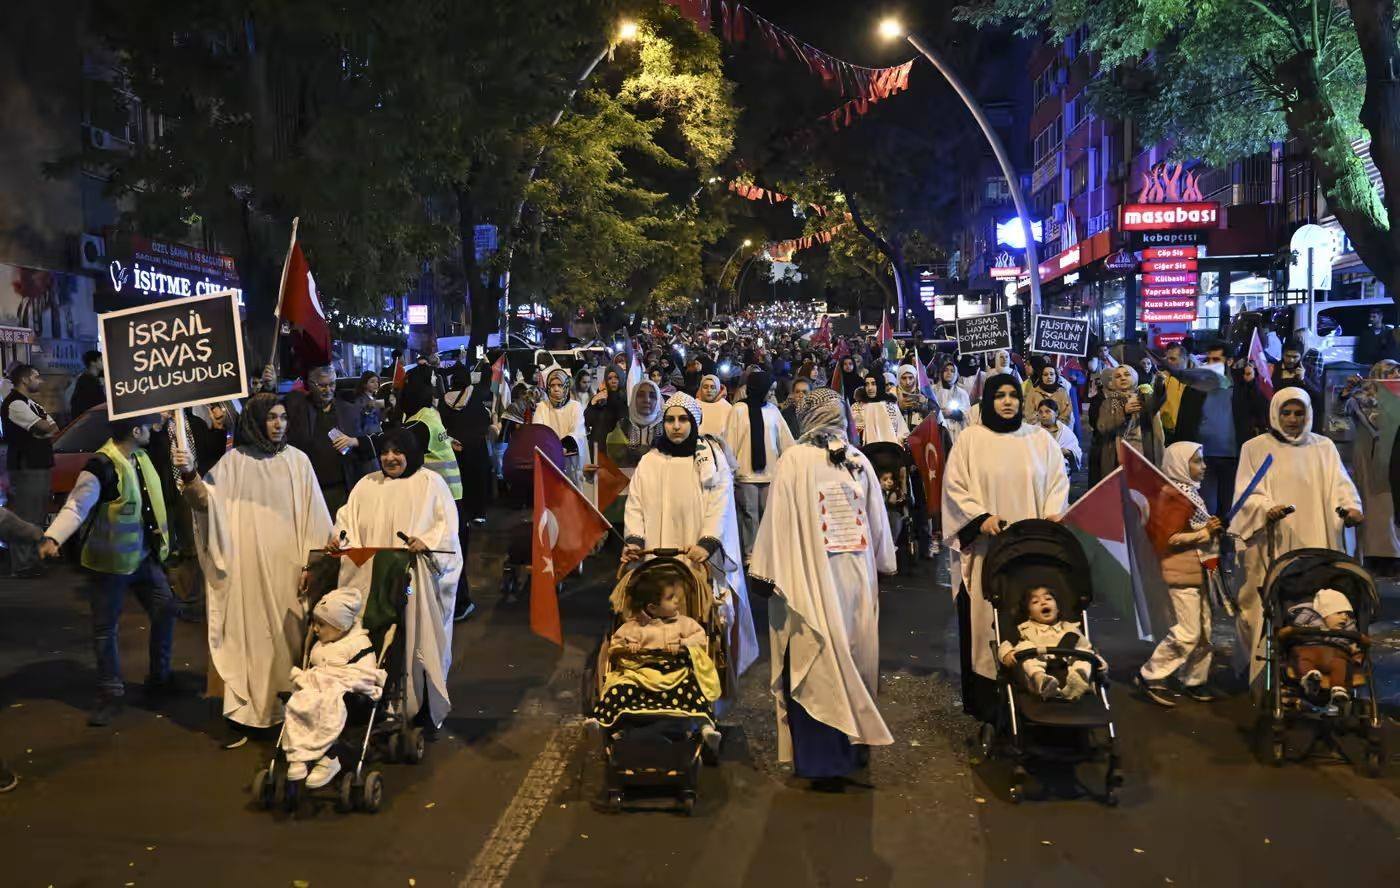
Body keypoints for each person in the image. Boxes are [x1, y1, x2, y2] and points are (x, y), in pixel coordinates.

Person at [749, 388, 896, 784]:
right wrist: (884, 564)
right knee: (833, 656)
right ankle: (835, 756)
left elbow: (872, 517)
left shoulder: (850, 460)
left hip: (832, 579)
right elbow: (781, 518)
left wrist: (764, 572)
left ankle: (838, 755)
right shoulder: (809, 461)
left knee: (837, 656)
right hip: (828, 578)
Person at [178, 394, 334, 745]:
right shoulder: (234, 463)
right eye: (272, 418)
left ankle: (291, 709)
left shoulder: (298, 461)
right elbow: (205, 504)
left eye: (283, 417)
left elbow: (316, 518)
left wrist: (314, 565)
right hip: (246, 570)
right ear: (255, 422)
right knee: (250, 639)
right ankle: (250, 714)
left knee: (288, 639)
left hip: (289, 570)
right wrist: (188, 473)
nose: (279, 424)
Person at [943, 374, 1070, 722]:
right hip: (988, 551)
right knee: (988, 621)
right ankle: (992, 705)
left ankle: (1038, 693)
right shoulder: (970, 440)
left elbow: (1057, 483)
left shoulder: (1039, 439)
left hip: (1032, 552)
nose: (1008, 401)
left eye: (1013, 395)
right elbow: (954, 488)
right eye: (999, 395)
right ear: (987, 401)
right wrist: (980, 518)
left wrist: (1052, 517)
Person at [39, 414, 175, 726]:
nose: (151, 430)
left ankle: (160, 679)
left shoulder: (140, 456)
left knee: (166, 609)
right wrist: (53, 537)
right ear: (135, 431)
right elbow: (76, 506)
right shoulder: (100, 466)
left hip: (143, 558)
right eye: (147, 426)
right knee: (106, 629)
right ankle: (110, 694)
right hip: (109, 565)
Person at [1231, 388, 1363, 688]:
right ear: (1275, 413)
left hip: (1317, 540)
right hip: (1273, 541)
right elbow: (1246, 493)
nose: (1292, 419)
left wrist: (1352, 508)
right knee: (1262, 604)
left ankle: (1315, 663)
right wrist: (1266, 509)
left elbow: (1341, 486)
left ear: (1309, 414)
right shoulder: (1255, 448)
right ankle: (1262, 672)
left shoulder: (1323, 447)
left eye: (1299, 413)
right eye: (1287, 412)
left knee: (1316, 601)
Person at [622, 393, 757, 677]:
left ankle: (703, 680)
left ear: (694, 422)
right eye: (670, 420)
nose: (676, 426)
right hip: (659, 553)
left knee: (701, 617)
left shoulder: (711, 460)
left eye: (683, 419)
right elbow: (635, 504)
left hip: (697, 556)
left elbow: (721, 504)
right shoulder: (650, 461)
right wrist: (634, 540)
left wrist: (708, 542)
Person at [587, 562, 723, 753]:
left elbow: (701, 639)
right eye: (670, 597)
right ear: (652, 607)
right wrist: (628, 646)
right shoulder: (633, 627)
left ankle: (706, 728)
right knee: (617, 689)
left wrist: (683, 643)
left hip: (675, 674)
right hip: (639, 675)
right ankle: (599, 722)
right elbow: (615, 645)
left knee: (694, 689)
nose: (677, 600)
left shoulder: (684, 624)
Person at [1136, 442, 1225, 706]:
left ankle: (1194, 679)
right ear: (1179, 464)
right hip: (1181, 571)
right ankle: (1151, 674)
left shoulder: (1190, 493)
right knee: (1188, 631)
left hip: (1199, 570)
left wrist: (1209, 528)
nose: (1204, 466)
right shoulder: (1174, 496)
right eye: (1197, 461)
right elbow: (1170, 538)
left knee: (1205, 630)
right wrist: (1205, 533)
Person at [282, 586, 386, 788]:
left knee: (327, 703)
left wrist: (333, 681)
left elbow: (365, 675)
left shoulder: (358, 644)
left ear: (341, 626)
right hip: (318, 691)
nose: (315, 629)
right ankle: (298, 754)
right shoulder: (322, 643)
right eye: (315, 623)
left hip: (349, 698)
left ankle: (331, 757)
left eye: (321, 624)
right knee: (299, 702)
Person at [721, 368, 795, 564]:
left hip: (770, 473)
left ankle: (769, 552)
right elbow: (730, 441)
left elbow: (785, 440)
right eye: (769, 390)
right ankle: (751, 554)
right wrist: (730, 469)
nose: (771, 394)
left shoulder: (773, 410)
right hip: (745, 473)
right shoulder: (739, 410)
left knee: (769, 514)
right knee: (749, 515)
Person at [283, 366, 374, 517]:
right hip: (309, 489)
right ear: (310, 385)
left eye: (332, 384)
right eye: (322, 385)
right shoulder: (297, 409)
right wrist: (269, 386)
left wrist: (354, 441)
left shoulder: (348, 410)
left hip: (341, 489)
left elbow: (365, 447)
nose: (328, 390)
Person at [3, 364, 58, 577]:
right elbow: (45, 426)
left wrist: (42, 430)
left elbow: (53, 427)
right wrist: (41, 429)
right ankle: (22, 565)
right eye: (36, 377)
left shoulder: (32, 404)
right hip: (27, 466)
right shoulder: (15, 403)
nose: (40, 380)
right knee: (25, 517)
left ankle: (33, 560)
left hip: (39, 464)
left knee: (37, 515)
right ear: (25, 380)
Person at [998, 586, 1098, 701]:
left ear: (1058, 609)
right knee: (1024, 646)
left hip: (1068, 669)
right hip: (1039, 667)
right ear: (1029, 614)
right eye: (1035, 602)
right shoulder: (1024, 629)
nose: (1043, 602)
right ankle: (1041, 680)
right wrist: (1007, 654)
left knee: (1082, 652)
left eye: (1048, 599)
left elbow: (1087, 648)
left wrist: (1098, 662)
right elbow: (1005, 644)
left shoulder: (1070, 628)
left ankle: (1079, 679)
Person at [1347, 361, 1400, 570]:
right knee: (1376, 508)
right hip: (1372, 462)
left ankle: (1394, 555)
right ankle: (1377, 556)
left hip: (1393, 461)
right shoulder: (1362, 398)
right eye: (1391, 373)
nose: (1396, 376)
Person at [1284, 588, 1366, 713]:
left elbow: (1354, 643)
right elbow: (1293, 633)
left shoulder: (1348, 628)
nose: (1345, 617)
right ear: (1325, 613)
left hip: (1335, 652)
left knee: (1340, 663)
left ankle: (1338, 688)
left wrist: (1355, 650)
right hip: (1310, 647)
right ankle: (1309, 677)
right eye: (1339, 613)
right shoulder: (1308, 619)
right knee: (1303, 656)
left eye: (1347, 614)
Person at [1095, 364, 1163, 473]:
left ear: (1134, 377)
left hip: (1143, 453)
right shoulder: (1109, 402)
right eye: (1118, 376)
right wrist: (1124, 412)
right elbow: (1102, 427)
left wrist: (1159, 384)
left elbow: (1156, 404)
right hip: (1118, 456)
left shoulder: (1144, 398)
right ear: (1113, 381)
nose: (1123, 378)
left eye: (1127, 374)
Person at [534, 367, 589, 477]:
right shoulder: (542, 407)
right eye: (552, 385)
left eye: (560, 385)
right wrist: (554, 449)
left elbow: (577, 432)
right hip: (549, 460)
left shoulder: (575, 407)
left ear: (566, 387)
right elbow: (538, 432)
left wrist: (562, 447)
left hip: (571, 463)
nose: (556, 389)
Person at [605, 379, 663, 470]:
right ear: (633, 398)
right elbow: (615, 462)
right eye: (641, 395)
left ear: (659, 400)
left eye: (652, 396)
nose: (647, 400)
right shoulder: (622, 427)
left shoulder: (666, 428)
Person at [1270, 341, 1323, 432]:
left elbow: (1317, 395)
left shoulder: (1309, 370)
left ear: (1301, 356)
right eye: (1288, 356)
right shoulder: (1273, 369)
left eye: (1295, 357)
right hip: (1279, 415)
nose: (1291, 360)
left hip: (1301, 417)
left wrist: (1303, 379)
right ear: (1282, 355)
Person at [853, 372, 909, 446]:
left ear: (880, 384)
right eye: (867, 384)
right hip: (867, 449)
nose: (870, 388)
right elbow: (854, 432)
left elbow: (901, 430)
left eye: (873, 384)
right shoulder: (858, 406)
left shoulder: (890, 405)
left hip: (891, 449)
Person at [1034, 399, 1082, 471]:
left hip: (1061, 471)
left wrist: (1067, 452)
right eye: (1040, 412)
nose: (1043, 415)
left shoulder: (1065, 432)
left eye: (1047, 412)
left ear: (1056, 413)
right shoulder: (1033, 431)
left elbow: (1076, 451)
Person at [931, 361, 969, 443]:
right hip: (938, 428)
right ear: (941, 373)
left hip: (956, 430)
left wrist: (952, 412)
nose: (949, 373)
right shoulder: (933, 390)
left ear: (956, 374)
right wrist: (939, 412)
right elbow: (929, 408)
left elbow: (967, 413)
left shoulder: (961, 393)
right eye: (946, 370)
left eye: (952, 371)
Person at [69, 350, 106, 418]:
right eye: (101, 360)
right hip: (90, 419)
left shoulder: (87, 378)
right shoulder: (88, 380)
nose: (104, 362)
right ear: (93, 363)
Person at [895, 364, 932, 429]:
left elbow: (932, 420)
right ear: (898, 379)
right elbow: (886, 419)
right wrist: (899, 408)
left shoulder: (923, 393)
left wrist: (924, 407)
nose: (907, 382)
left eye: (911, 378)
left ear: (915, 378)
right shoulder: (892, 394)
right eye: (904, 378)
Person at [697, 373, 732, 438]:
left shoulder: (727, 407)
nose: (709, 390)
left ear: (718, 389)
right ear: (700, 389)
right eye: (705, 387)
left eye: (713, 387)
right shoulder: (694, 405)